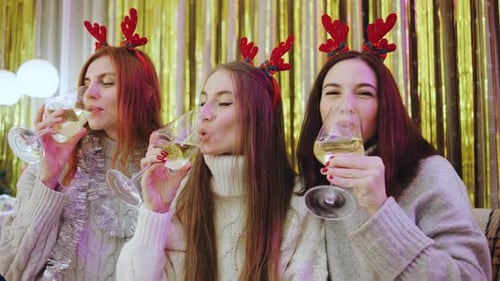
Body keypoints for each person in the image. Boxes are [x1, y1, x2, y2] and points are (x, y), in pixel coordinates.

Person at [296, 13, 491, 280]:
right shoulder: (316, 181)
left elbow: (471, 276)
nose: (346, 106)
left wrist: (379, 207)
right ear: (319, 107)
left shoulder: (430, 174)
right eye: (332, 92)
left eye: (364, 93)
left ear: (385, 106)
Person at [116, 37, 327, 280]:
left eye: (223, 103)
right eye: (202, 102)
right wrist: (155, 209)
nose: (203, 115)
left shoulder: (299, 201)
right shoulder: (181, 194)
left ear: (259, 119)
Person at [0, 8, 162, 280]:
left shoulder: (161, 169)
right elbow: (14, 268)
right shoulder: (55, 158)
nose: (90, 94)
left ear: (145, 94)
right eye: (86, 83)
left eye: (107, 83)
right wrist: (49, 175)